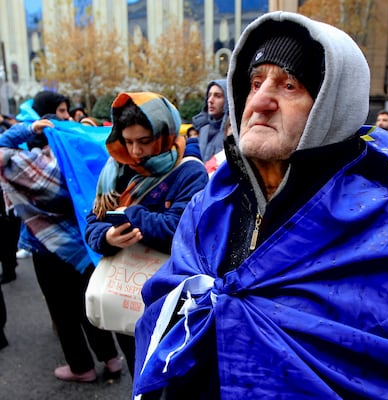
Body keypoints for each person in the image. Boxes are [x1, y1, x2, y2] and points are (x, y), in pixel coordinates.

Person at [132, 12, 388, 399]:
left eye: (289, 85)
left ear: (331, 107)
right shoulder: (209, 205)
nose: (261, 101)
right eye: (255, 83)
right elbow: (166, 304)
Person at [0, 90, 122, 382]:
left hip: (47, 248)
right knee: (87, 304)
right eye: (62, 112)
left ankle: (82, 368)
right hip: (82, 242)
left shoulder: (24, 165)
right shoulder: (77, 155)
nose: (66, 117)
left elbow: (1, 147)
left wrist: (28, 129)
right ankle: (112, 359)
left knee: (63, 311)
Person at [85, 92, 209, 377]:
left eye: (144, 141)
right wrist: (108, 238)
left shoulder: (189, 172)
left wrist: (129, 214)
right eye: (128, 142)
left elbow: (181, 231)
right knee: (137, 370)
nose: (136, 152)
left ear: (164, 133)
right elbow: (93, 220)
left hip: (171, 299)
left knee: (170, 375)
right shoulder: (115, 169)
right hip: (125, 293)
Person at [191, 79, 228, 161]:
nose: (210, 100)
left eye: (217, 96)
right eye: (209, 95)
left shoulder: (232, 132)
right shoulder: (203, 129)